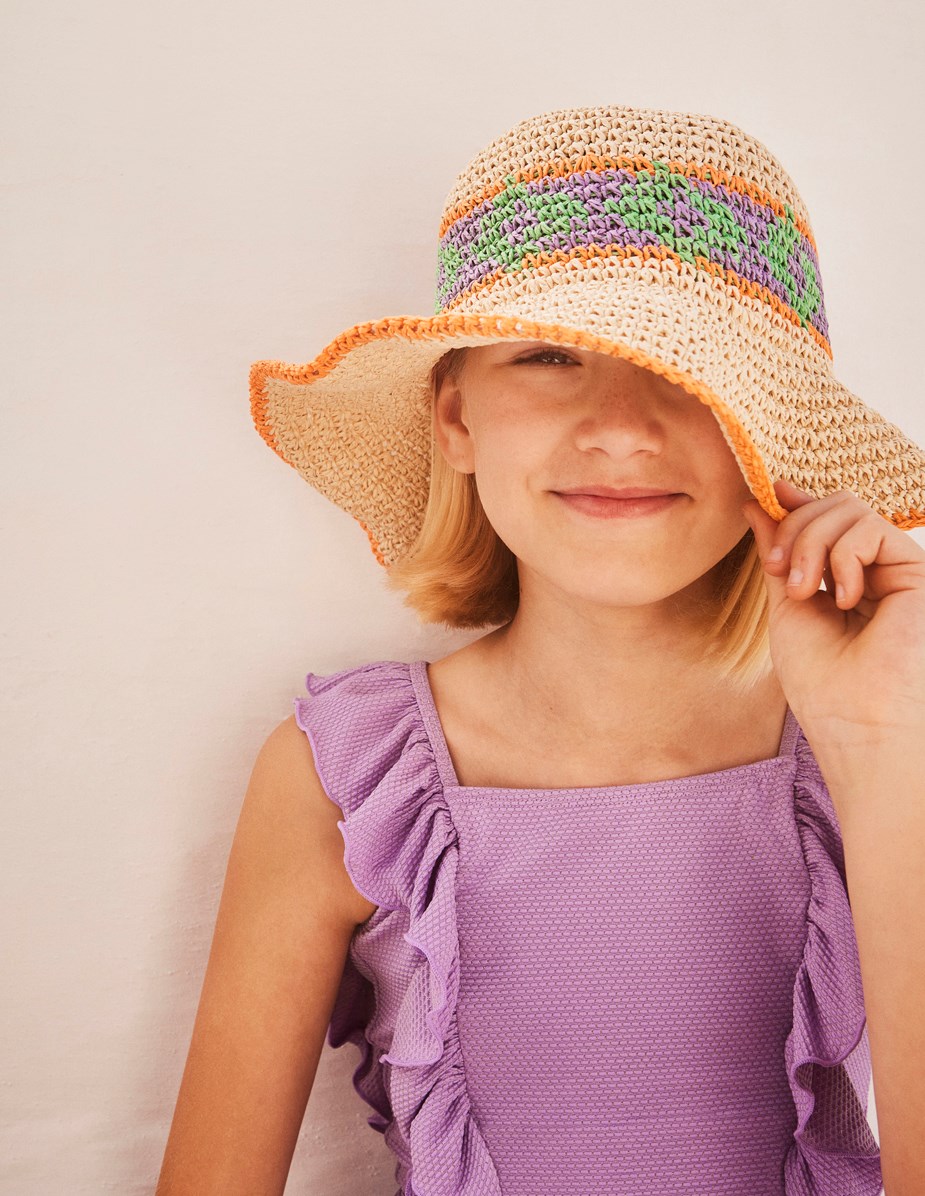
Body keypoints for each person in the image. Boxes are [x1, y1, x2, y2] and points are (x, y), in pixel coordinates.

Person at [156, 105, 925, 1195]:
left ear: (768, 426)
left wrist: (885, 744)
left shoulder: (880, 746)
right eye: (550, 355)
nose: (620, 426)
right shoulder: (345, 777)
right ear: (455, 416)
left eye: (685, 369)